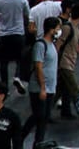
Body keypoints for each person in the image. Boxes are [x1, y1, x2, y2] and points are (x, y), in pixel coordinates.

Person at [22, 16, 59, 146]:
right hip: (39, 88)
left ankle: (39, 144)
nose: (58, 30)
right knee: (38, 116)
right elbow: (38, 67)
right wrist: (43, 87)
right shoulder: (40, 45)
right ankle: (21, 137)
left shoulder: (52, 45)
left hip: (50, 88)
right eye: (57, 28)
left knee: (43, 118)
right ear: (51, 29)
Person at [0, 0, 30, 92]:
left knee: (4, 62)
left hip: (3, 35)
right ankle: (17, 76)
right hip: (18, 33)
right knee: (20, 58)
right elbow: (27, 14)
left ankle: (4, 87)